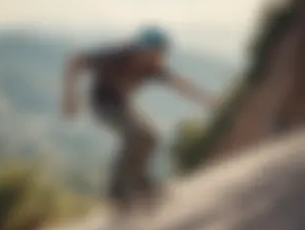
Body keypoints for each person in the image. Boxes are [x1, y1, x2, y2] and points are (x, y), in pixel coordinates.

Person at [62, 25, 216, 213]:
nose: (157, 60)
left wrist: (206, 99)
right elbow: (75, 60)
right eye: (154, 54)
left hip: (122, 104)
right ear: (140, 50)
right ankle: (118, 191)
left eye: (161, 55)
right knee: (135, 135)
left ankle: (140, 182)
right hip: (102, 106)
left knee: (151, 136)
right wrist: (69, 96)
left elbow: (179, 83)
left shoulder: (152, 68)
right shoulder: (114, 56)